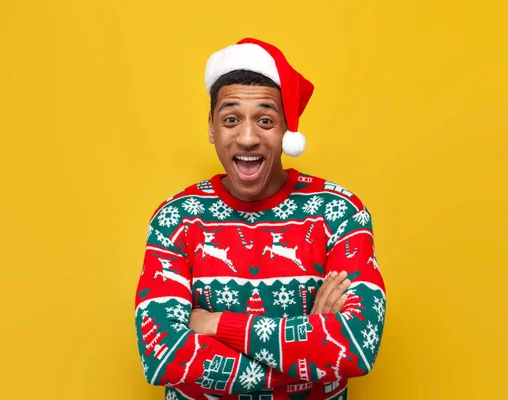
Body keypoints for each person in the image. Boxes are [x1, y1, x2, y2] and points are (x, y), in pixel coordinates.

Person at [134, 38, 386, 400]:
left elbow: (356, 349)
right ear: (211, 127)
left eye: (265, 120)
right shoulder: (176, 218)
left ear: (286, 129)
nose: (248, 137)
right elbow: (163, 359)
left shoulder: (341, 212)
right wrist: (309, 349)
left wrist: (215, 323)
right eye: (231, 119)